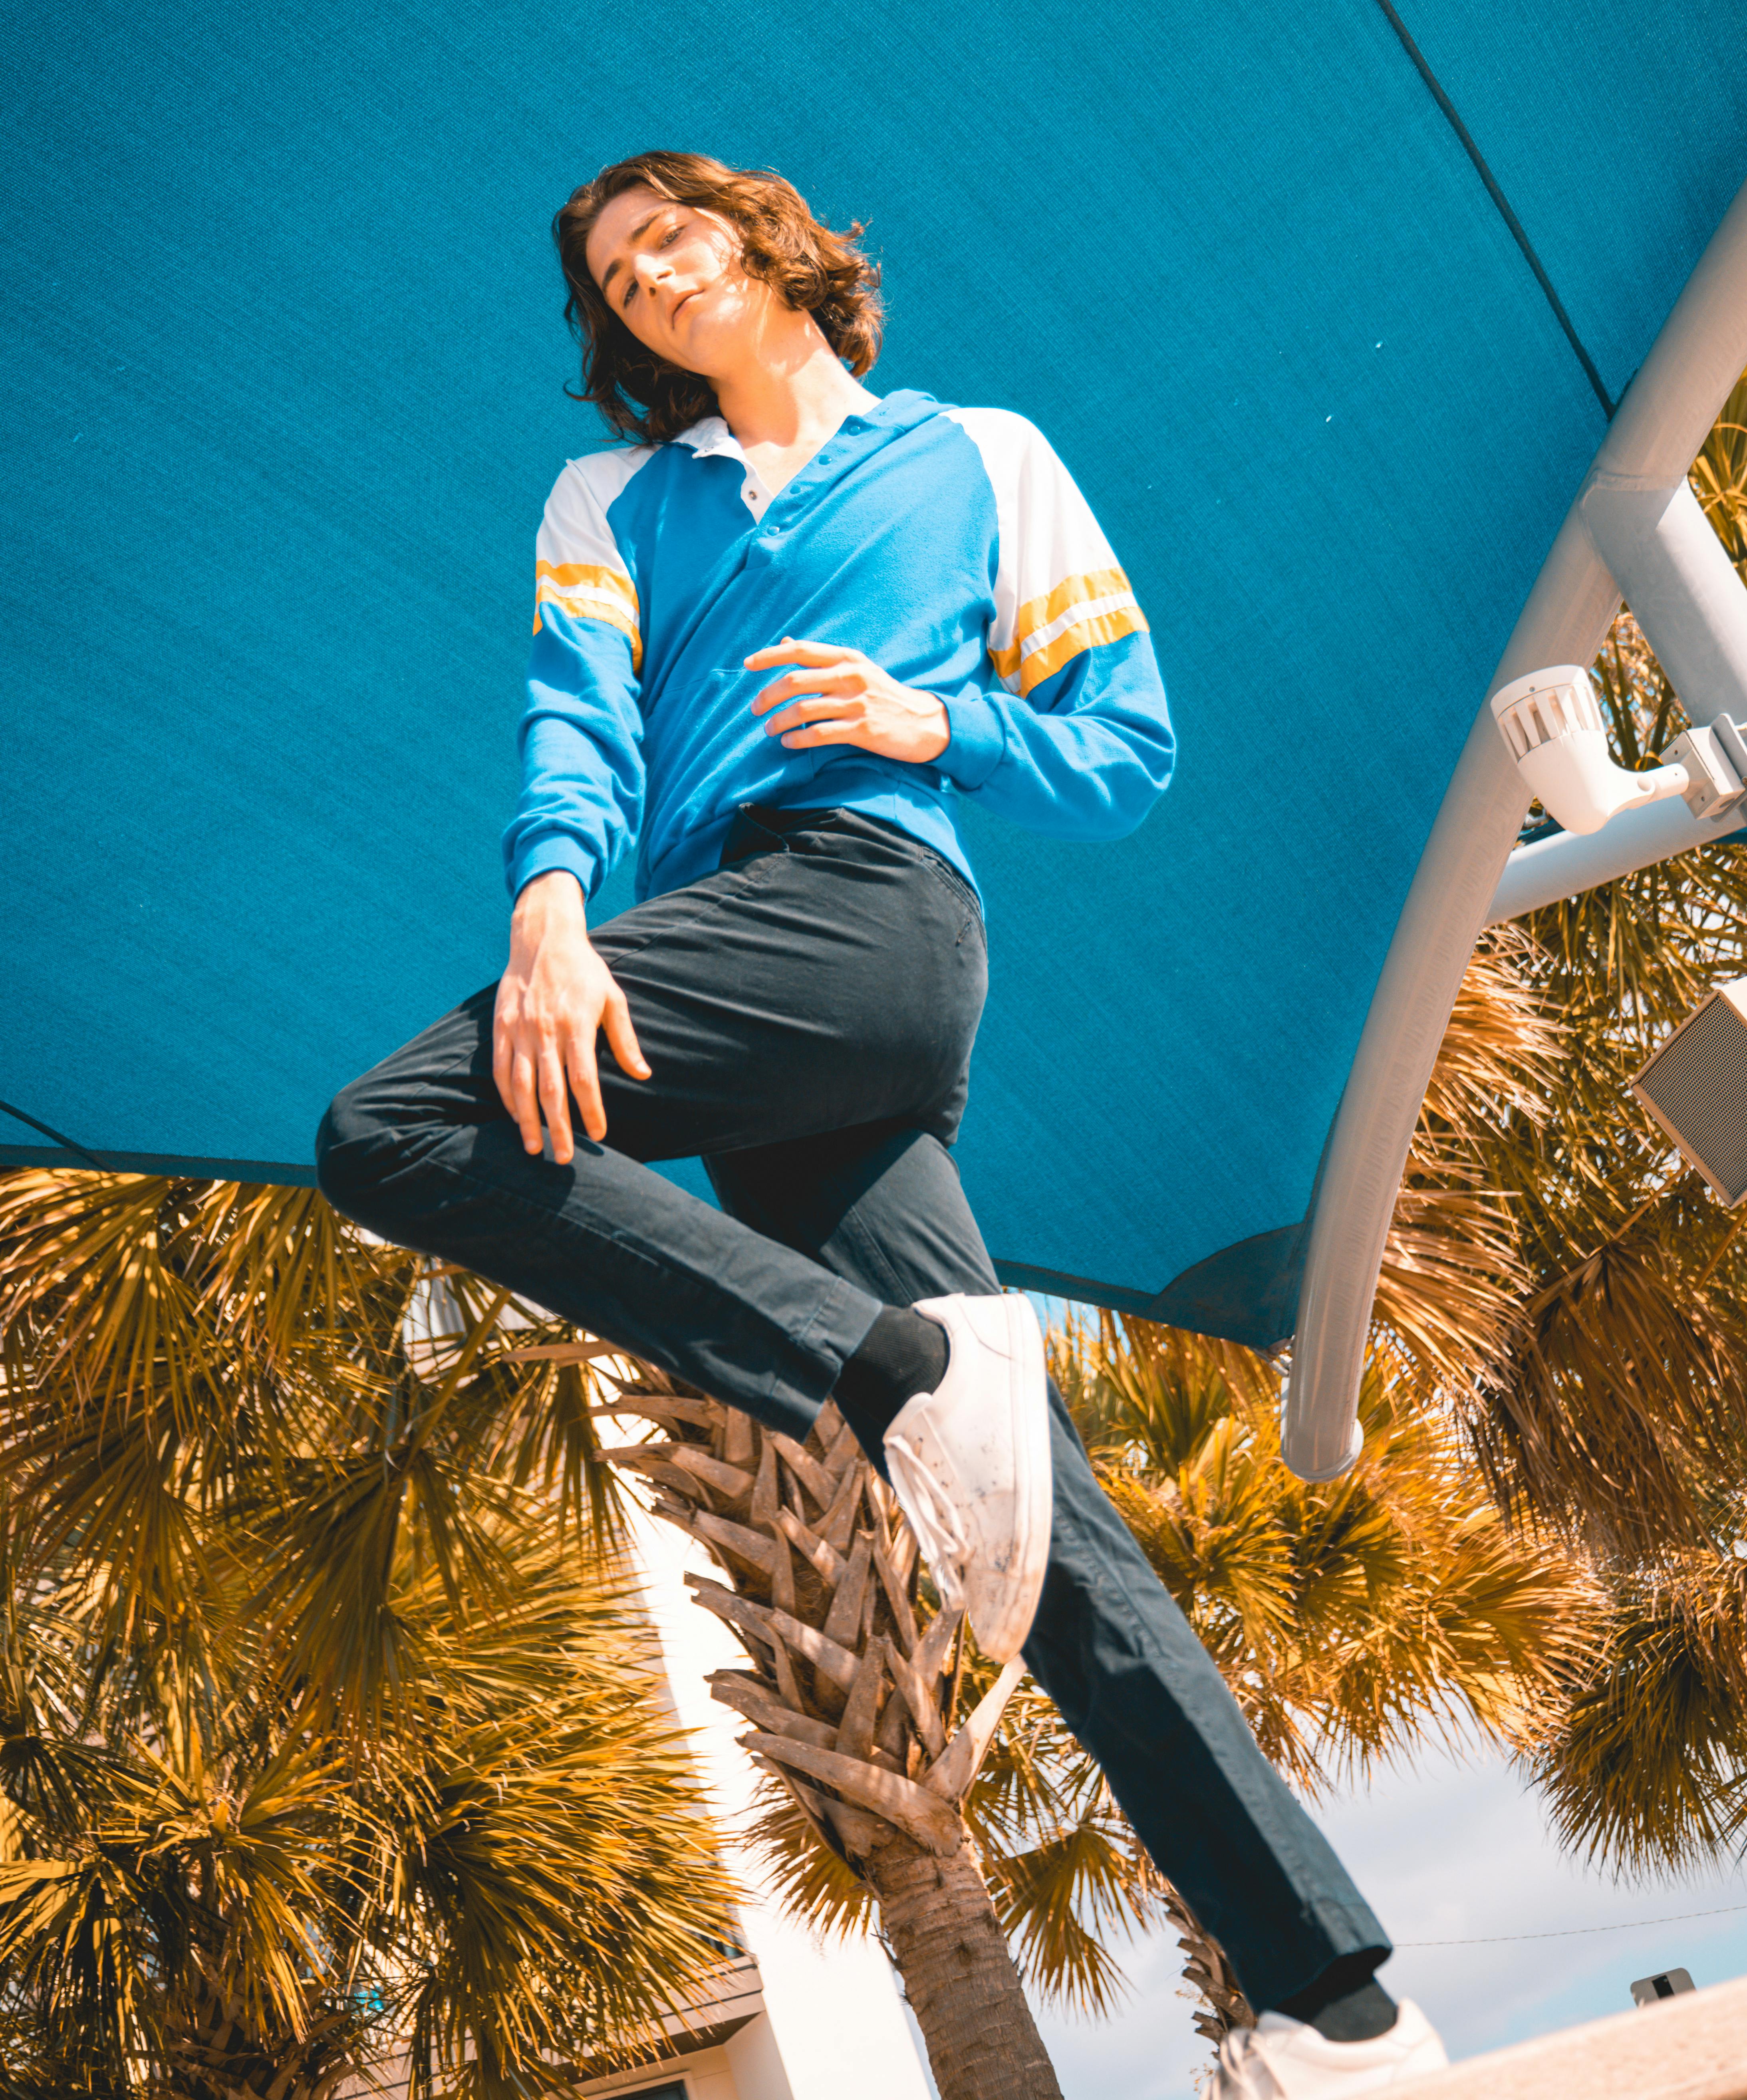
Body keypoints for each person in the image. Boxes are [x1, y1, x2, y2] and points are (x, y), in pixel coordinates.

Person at [316, 151, 1445, 2094]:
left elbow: (1123, 750)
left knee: (389, 1130)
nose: (650, 277)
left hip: (868, 916)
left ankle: (880, 1367)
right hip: (719, 964)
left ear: (763, 237)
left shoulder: (981, 454)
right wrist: (552, 912)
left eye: (670, 234)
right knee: (1031, 1514)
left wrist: (943, 726)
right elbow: (575, 714)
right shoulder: (612, 498)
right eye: (616, 279)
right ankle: (1336, 2000)